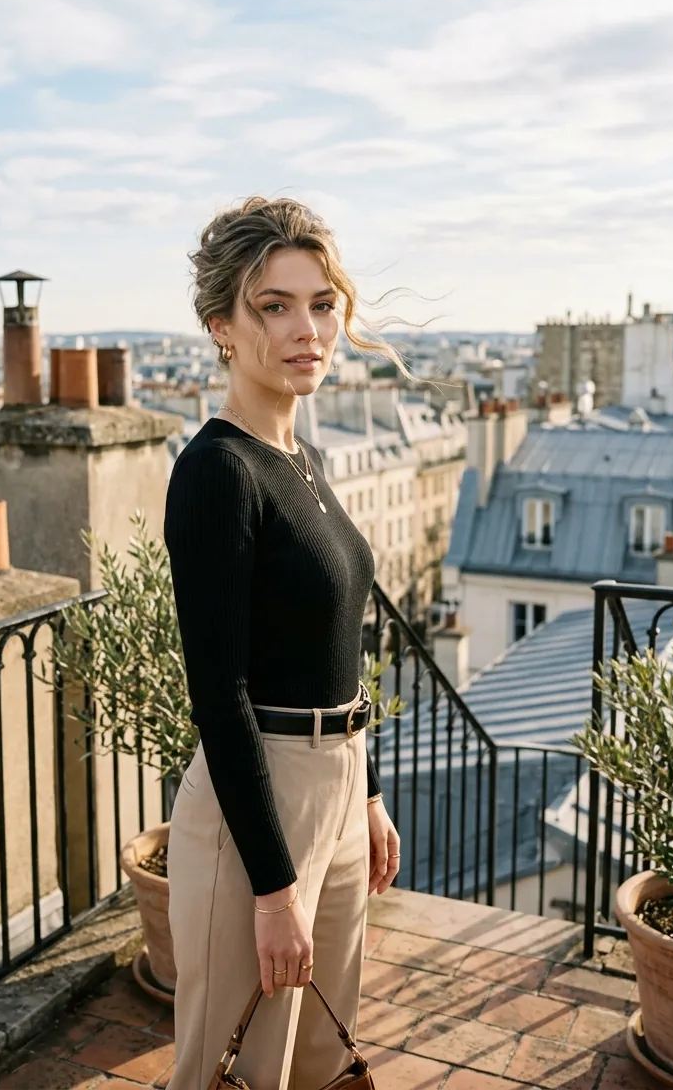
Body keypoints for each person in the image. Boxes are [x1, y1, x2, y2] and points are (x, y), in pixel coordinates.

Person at [163, 197, 403, 1090]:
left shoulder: (306, 460)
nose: (308, 329)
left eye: (322, 302)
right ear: (223, 326)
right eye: (275, 305)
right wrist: (271, 889)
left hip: (335, 786)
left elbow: (335, 638)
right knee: (236, 1068)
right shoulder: (218, 472)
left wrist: (367, 791)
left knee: (317, 1062)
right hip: (259, 801)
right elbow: (217, 691)